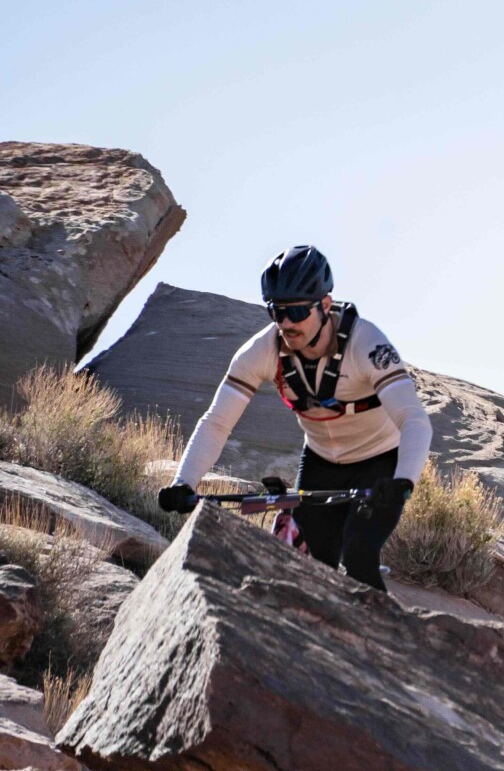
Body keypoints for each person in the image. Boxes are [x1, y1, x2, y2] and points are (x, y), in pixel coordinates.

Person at [156, 245, 430, 592]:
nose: (285, 323)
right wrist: (184, 482)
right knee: (308, 568)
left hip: (380, 461)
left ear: (325, 305)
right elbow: (217, 422)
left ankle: (385, 626)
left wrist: (403, 481)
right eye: (276, 311)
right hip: (320, 462)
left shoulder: (367, 344)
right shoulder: (261, 351)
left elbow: (414, 420)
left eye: (297, 311)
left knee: (359, 553)